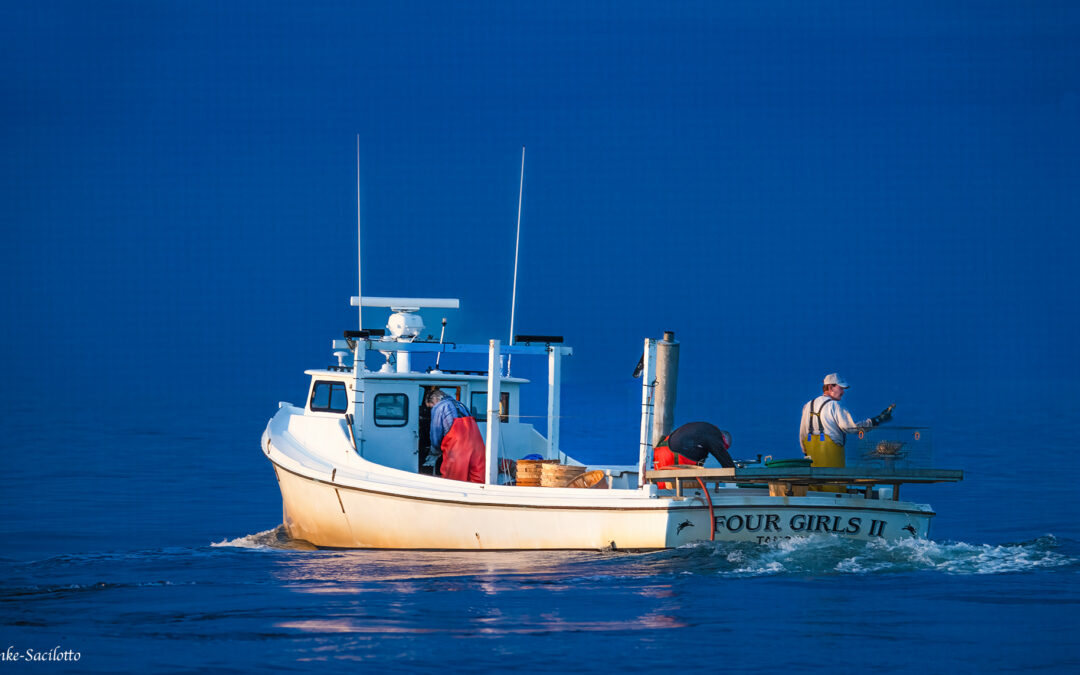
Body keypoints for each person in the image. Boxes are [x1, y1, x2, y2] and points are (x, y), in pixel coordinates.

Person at [800, 373, 894, 490]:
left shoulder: (807, 406)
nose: (843, 392)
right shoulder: (834, 406)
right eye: (840, 388)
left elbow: (803, 434)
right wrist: (875, 421)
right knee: (833, 489)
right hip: (832, 459)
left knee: (815, 490)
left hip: (811, 458)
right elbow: (851, 428)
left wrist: (805, 453)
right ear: (830, 387)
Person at [426, 388, 486, 483]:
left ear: (434, 400)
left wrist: (435, 451)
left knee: (453, 480)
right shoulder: (461, 405)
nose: (432, 408)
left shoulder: (439, 407)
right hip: (477, 444)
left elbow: (436, 434)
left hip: (457, 447)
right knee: (477, 478)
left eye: (430, 406)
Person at [653, 422, 734, 488]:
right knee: (687, 489)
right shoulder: (714, 435)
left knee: (662, 490)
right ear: (722, 440)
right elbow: (721, 454)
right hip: (676, 455)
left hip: (662, 450)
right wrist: (734, 472)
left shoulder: (704, 430)